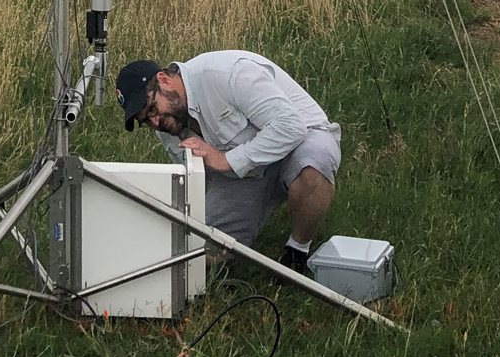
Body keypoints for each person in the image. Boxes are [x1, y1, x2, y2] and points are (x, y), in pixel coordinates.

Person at [116, 52, 341, 272]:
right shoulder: (167, 125)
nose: (155, 122)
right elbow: (198, 181)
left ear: (164, 80)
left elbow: (291, 127)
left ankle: (297, 251)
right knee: (198, 250)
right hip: (244, 172)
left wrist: (226, 159)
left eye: (153, 109)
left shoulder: (226, 73)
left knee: (314, 163)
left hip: (300, 141)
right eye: (145, 120)